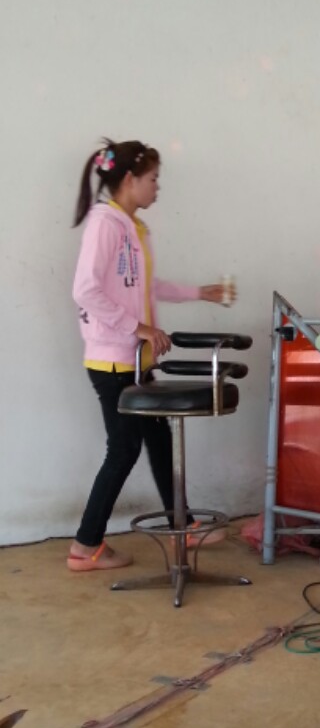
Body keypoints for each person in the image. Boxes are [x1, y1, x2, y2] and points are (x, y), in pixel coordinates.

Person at [67, 139, 231, 573]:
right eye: (153, 179)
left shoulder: (132, 228)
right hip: (112, 361)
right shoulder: (106, 224)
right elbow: (85, 290)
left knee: (157, 440)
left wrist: (199, 292)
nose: (158, 187)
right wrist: (137, 327)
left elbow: (145, 287)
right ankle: (85, 545)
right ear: (129, 179)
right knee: (123, 450)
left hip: (133, 361)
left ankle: (183, 523)